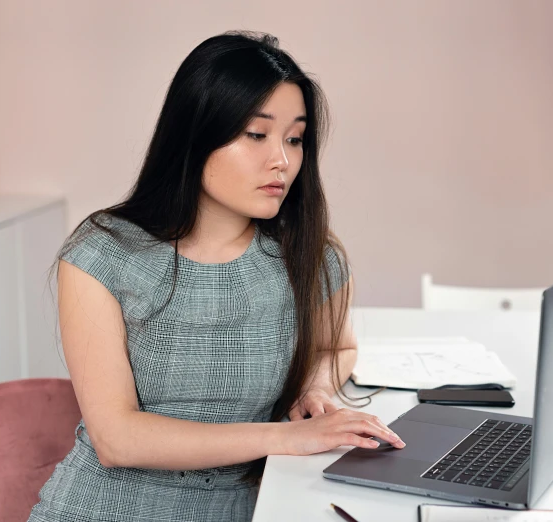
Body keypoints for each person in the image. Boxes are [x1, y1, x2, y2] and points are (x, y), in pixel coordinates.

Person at [28, 30, 405, 522]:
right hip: (108, 508)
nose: (282, 161)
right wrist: (289, 438)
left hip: (254, 505)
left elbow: (336, 347)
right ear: (196, 133)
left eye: (295, 138)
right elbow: (117, 439)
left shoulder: (307, 253)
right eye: (256, 134)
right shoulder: (104, 253)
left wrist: (315, 388)